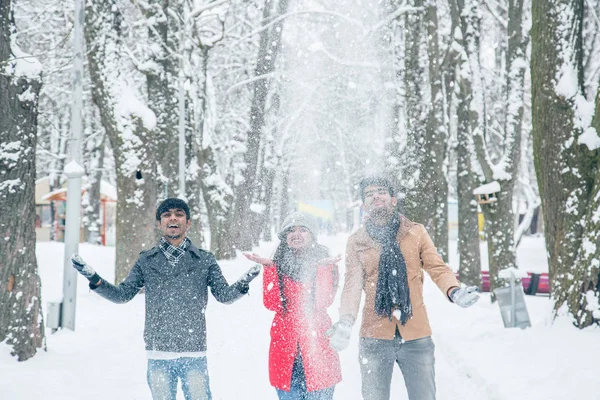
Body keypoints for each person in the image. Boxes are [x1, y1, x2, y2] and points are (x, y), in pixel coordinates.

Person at [70, 198, 260, 400]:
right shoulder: (146, 260)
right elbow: (122, 295)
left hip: (193, 350)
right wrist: (94, 278)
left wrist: (242, 283)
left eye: (179, 214)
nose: (173, 218)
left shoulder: (204, 259)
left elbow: (224, 296)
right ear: (160, 224)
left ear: (188, 223)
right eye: (166, 215)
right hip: (158, 351)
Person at [326, 177, 480, 400]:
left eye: (381, 192)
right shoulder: (357, 242)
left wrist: (454, 291)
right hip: (374, 336)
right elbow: (351, 285)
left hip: (416, 334)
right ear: (364, 205)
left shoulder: (415, 233)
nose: (376, 196)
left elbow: (437, 267)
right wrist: (346, 321)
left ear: (393, 200)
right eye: (369, 194)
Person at [244, 211, 342, 400]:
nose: (296, 234)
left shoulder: (325, 264)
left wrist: (323, 269)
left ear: (312, 235)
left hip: (318, 347)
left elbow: (323, 302)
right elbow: (272, 304)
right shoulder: (277, 265)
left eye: (303, 230)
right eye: (291, 231)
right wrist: (271, 269)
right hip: (285, 349)